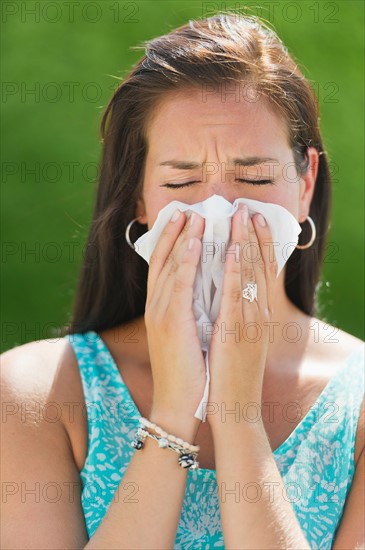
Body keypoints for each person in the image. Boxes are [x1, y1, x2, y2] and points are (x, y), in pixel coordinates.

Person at [2, 12, 364, 550]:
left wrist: (237, 416)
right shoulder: (33, 394)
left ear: (305, 183)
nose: (217, 208)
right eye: (182, 179)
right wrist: (173, 413)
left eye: (255, 177)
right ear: (139, 199)